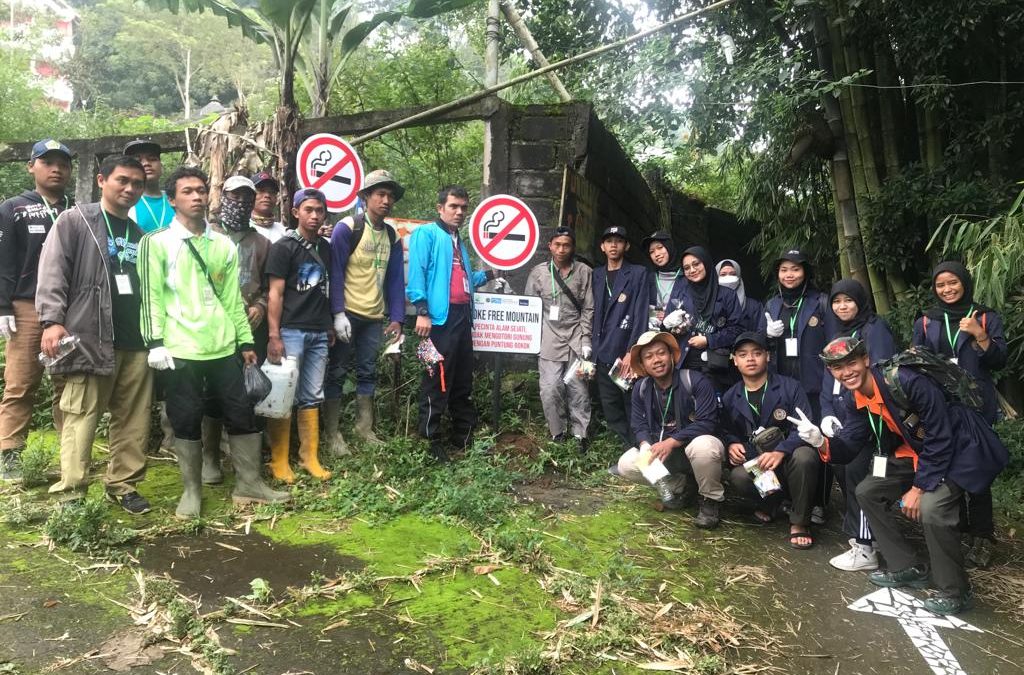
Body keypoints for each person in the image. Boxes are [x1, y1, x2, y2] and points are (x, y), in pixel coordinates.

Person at [793, 336, 1008, 615]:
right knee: (868, 491)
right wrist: (819, 441)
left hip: (960, 448)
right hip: (918, 451)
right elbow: (849, 445)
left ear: (866, 360)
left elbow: (940, 436)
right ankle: (908, 567)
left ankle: (956, 592)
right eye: (837, 368)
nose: (846, 372)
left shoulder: (906, 380)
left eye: (851, 363)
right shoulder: (852, 398)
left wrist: (919, 488)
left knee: (932, 507)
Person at [139, 166, 289, 519]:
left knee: (241, 412)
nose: (196, 196)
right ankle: (192, 490)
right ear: (172, 199)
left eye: (201, 190)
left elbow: (231, 299)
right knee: (186, 417)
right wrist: (155, 342)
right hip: (179, 347)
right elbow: (151, 297)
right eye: (187, 191)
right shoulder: (157, 243)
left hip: (223, 345)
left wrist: (244, 342)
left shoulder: (221, 244)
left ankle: (249, 483)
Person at [35, 155, 152, 513]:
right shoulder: (76, 221)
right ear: (102, 181)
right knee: (81, 413)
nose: (130, 189)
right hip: (89, 336)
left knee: (134, 417)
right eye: (122, 181)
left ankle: (123, 483)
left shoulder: (139, 234)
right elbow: (53, 270)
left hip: (136, 339)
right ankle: (71, 490)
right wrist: (52, 320)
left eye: (136, 183)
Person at [913, 262, 1008, 568]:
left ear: (964, 282)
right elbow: (916, 360)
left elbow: (998, 360)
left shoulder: (984, 316)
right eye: (941, 285)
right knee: (951, 467)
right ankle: (961, 528)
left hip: (977, 404)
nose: (947, 289)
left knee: (977, 469)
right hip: (942, 405)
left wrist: (980, 335)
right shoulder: (927, 320)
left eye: (953, 283)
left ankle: (983, 536)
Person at [0, 139, 74, 481]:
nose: (56, 168)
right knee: (20, 381)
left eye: (62, 163)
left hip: (69, 308)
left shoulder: (78, 210)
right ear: (31, 166)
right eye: (47, 162)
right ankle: (10, 452)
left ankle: (69, 453)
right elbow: (5, 260)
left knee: (68, 384)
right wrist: (3, 306)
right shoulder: (13, 207)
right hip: (26, 305)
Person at [406, 185, 496, 462]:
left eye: (463, 207)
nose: (459, 212)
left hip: (462, 318)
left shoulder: (459, 242)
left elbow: (464, 279)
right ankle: (430, 440)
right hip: (436, 321)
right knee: (436, 377)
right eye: (453, 206)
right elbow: (417, 272)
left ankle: (463, 435)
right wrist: (421, 310)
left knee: (462, 377)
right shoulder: (427, 234)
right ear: (440, 208)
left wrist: (489, 274)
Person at [327, 170, 406, 453]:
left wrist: (397, 317)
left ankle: (364, 427)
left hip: (374, 317)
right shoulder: (347, 228)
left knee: (368, 371)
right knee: (336, 372)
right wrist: (336, 313)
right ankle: (332, 433)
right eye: (380, 195)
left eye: (390, 196)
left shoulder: (392, 235)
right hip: (348, 312)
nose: (386, 201)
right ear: (365, 197)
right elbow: (334, 272)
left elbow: (396, 279)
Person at [820, 279, 896, 571]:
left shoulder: (874, 329)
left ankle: (865, 547)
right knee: (846, 470)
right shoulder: (837, 331)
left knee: (861, 475)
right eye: (837, 302)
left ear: (860, 301)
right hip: (843, 417)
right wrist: (827, 410)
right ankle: (864, 540)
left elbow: (879, 373)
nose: (842, 306)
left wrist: (857, 409)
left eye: (848, 301)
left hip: (869, 419)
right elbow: (829, 374)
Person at [614, 331, 724, 528]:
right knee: (626, 463)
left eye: (661, 353)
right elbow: (638, 424)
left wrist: (671, 442)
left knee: (704, 446)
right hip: (666, 455)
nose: (656, 360)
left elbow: (708, 422)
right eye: (648, 357)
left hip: (693, 451)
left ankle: (710, 500)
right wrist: (646, 444)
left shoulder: (695, 380)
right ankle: (680, 485)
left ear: (672, 355)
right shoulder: (641, 388)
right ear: (642, 364)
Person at [721, 332, 820, 548]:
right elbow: (726, 429)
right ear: (735, 360)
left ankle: (800, 522)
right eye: (743, 354)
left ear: (768, 356)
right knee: (739, 476)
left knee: (805, 456)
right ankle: (774, 501)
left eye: (757, 353)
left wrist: (781, 450)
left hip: (790, 460)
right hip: (762, 466)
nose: (750, 359)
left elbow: (805, 427)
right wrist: (731, 443)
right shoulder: (730, 396)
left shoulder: (790, 387)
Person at [201, 175, 269, 485]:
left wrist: (260, 307)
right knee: (211, 394)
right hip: (212, 328)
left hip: (249, 329)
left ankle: (247, 470)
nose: (240, 202)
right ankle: (210, 459)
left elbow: (272, 286)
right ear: (222, 196)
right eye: (234, 196)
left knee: (245, 393)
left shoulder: (262, 243)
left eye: (246, 197)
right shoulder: (206, 235)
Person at [264, 188, 335, 482]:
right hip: (291, 330)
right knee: (283, 394)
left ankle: (309, 456)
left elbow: (326, 290)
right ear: (296, 212)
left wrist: (330, 324)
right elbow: (275, 293)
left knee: (312, 394)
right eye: (308, 210)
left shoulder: (326, 248)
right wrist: (273, 334)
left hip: (319, 331)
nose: (315, 216)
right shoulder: (283, 247)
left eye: (319, 210)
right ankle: (279, 460)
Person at [759, 248, 831, 524]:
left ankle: (818, 502)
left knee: (818, 443)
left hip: (813, 385)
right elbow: (759, 346)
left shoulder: (821, 302)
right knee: (782, 440)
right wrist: (767, 336)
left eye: (796, 269)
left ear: (806, 272)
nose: (790, 275)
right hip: (781, 386)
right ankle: (787, 497)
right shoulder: (771, 304)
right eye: (784, 270)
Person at [524, 226, 593, 445]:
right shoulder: (538, 273)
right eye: (557, 245)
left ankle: (580, 434)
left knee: (579, 389)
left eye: (566, 245)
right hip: (549, 340)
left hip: (576, 338)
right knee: (550, 388)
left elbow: (589, 308)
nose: (562, 249)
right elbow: (529, 306)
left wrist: (586, 340)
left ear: (572, 247)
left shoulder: (584, 272)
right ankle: (557, 432)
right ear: (550, 246)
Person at [591, 226, 649, 448]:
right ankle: (624, 452)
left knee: (631, 403)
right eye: (609, 241)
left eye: (618, 241)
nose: (613, 245)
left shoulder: (638, 273)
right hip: (601, 352)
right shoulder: (596, 274)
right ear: (602, 247)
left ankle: (639, 449)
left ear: (626, 246)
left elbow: (641, 314)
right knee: (610, 405)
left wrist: (632, 353)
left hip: (624, 351)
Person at [671, 246, 743, 391]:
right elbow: (667, 329)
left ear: (706, 263)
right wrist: (669, 324)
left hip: (717, 365)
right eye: (687, 267)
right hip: (686, 362)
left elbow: (737, 330)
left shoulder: (727, 295)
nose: (692, 270)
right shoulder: (680, 294)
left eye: (696, 264)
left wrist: (708, 340)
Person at [123, 139, 174, 233]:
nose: (146, 163)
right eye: (138, 160)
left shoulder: (176, 199)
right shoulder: (124, 203)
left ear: (161, 166)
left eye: (152, 159)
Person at [715, 258, 763, 332]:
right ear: (715, 278)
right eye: (723, 274)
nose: (728, 277)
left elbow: (759, 332)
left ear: (739, 277)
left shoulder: (754, 307)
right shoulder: (709, 304)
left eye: (732, 274)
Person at [250, 171, 287, 243]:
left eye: (272, 192)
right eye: (261, 191)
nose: (267, 195)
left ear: (276, 198)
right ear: (250, 195)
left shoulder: (285, 233)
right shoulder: (242, 230)